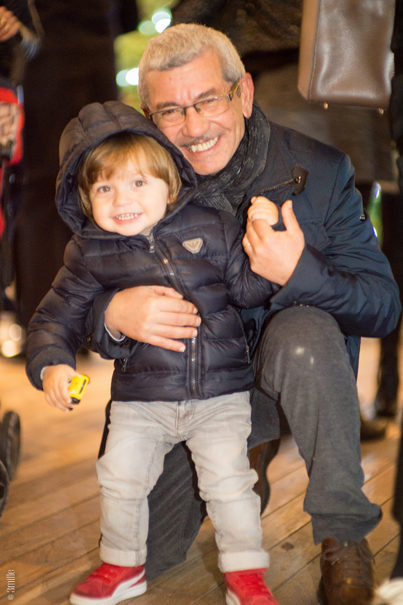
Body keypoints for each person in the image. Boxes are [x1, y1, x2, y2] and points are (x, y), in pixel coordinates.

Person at [84, 23, 401, 605]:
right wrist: (111, 313)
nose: (194, 127)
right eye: (171, 111)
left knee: (304, 334)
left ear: (244, 93)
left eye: (208, 100)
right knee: (145, 551)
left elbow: (383, 308)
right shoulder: (127, 185)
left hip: (292, 368)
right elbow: (73, 294)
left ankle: (344, 534)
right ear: (149, 117)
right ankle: (248, 459)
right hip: (188, 392)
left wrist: (298, 271)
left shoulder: (321, 171)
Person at [25, 99, 286, 605]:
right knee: (119, 476)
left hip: (219, 395)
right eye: (105, 188)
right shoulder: (88, 255)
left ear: (169, 184)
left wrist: (265, 238)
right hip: (141, 400)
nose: (122, 199)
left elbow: (250, 289)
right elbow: (54, 319)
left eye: (138, 183)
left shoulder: (212, 226)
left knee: (229, 482)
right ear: (85, 198)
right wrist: (52, 364)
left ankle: (246, 575)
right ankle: (122, 565)